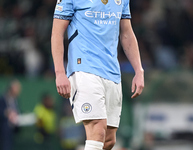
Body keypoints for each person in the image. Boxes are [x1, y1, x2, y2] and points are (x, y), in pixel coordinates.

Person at [51, 0, 144, 149]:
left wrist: (139, 70)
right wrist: (60, 72)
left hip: (112, 72)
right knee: (97, 129)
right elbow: (57, 33)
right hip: (83, 68)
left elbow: (126, 32)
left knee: (108, 140)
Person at [0, 80, 21, 150]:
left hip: (13, 131)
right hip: (4, 132)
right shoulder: (3, 99)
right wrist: (7, 113)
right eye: (17, 88)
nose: (19, 90)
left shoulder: (15, 100)